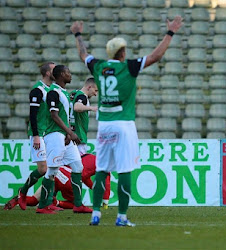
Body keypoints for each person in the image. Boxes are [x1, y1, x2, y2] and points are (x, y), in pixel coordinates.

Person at [70, 16, 183, 226]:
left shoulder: (99, 66)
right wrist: (170, 32)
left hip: (104, 124)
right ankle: (121, 216)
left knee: (102, 169)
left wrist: (77, 34)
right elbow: (155, 56)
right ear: (122, 52)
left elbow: (82, 54)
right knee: (124, 170)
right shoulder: (129, 67)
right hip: (124, 124)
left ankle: (96, 213)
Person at [37, 65, 92, 214]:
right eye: (68, 72)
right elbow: (54, 116)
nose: (70, 74)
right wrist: (70, 132)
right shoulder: (53, 92)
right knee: (53, 169)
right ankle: (43, 205)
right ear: (61, 75)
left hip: (64, 136)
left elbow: (63, 116)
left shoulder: (64, 93)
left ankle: (78, 205)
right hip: (54, 135)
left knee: (77, 166)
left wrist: (68, 134)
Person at [4, 154, 111, 210]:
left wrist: (92, 187)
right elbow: (106, 184)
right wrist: (105, 203)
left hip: (56, 172)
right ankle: (56, 203)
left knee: (33, 200)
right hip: (68, 179)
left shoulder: (90, 157)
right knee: (76, 204)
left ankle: (18, 198)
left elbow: (85, 177)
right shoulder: (104, 165)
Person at [18, 62, 56, 210]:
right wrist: (35, 135)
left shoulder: (52, 89)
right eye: (54, 69)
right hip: (39, 133)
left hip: (50, 133)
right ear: (47, 73)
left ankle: (48, 203)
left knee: (53, 168)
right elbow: (32, 115)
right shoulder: (37, 90)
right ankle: (23, 190)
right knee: (43, 169)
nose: (57, 71)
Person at [70, 77, 98, 155]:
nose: (95, 94)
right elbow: (77, 107)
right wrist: (92, 108)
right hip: (79, 137)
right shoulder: (83, 97)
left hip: (69, 135)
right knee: (79, 165)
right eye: (95, 90)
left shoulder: (73, 94)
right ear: (89, 87)